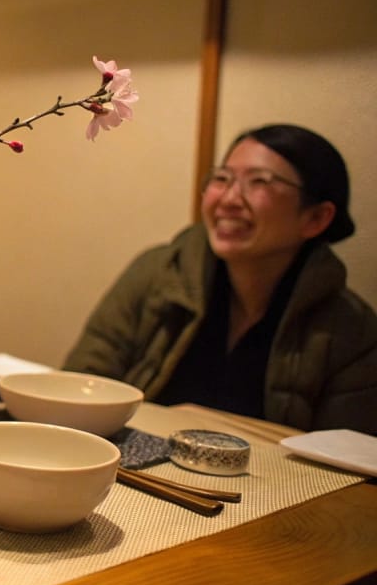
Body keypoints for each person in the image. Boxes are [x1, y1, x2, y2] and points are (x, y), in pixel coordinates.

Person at [64, 124, 377, 434]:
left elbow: (347, 464)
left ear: (315, 218)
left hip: (274, 484)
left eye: (258, 182)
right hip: (133, 468)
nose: (228, 199)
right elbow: (79, 387)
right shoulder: (158, 273)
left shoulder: (351, 329)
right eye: (222, 178)